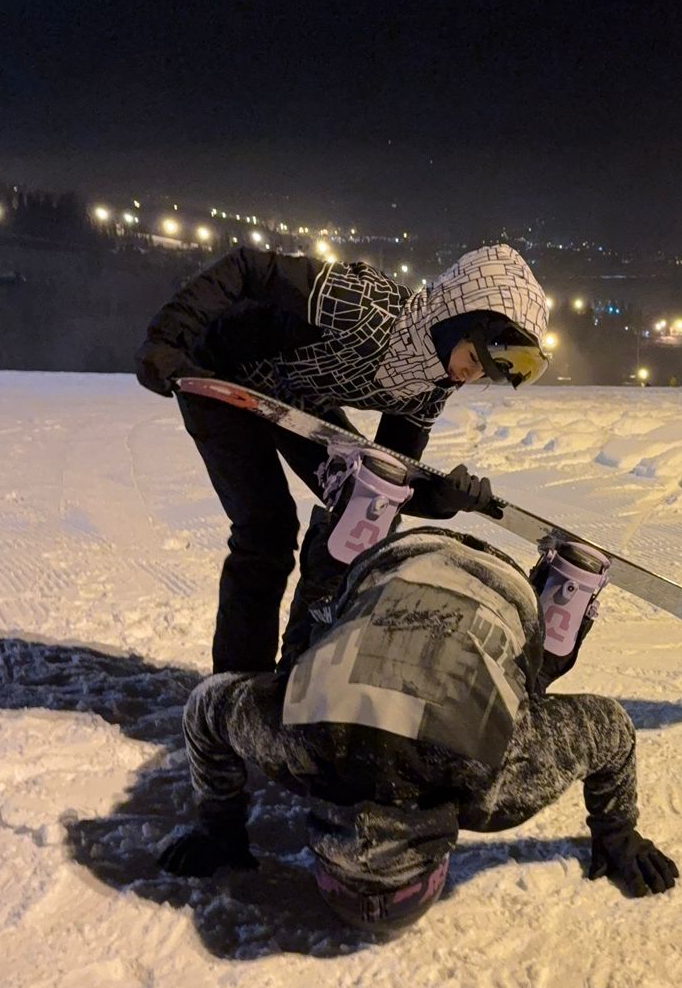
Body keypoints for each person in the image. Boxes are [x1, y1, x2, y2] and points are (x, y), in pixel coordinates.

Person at [158, 496, 679, 932]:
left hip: (503, 591)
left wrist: (617, 831)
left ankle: (567, 589)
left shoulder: (499, 780)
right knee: (304, 658)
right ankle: (361, 506)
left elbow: (610, 728)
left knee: (518, 696)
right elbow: (207, 704)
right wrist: (219, 821)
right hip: (395, 563)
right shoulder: (295, 743)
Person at [135, 240, 550, 672]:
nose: (470, 375)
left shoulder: (429, 388)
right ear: (455, 319)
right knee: (267, 529)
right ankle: (236, 680)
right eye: (474, 358)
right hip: (222, 373)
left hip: (293, 400)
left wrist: (440, 500)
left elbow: (387, 480)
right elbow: (248, 267)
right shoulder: (364, 307)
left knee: (361, 509)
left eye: (484, 372)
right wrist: (167, 338)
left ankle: (299, 671)